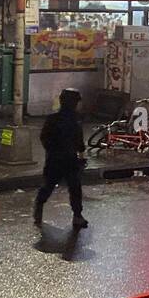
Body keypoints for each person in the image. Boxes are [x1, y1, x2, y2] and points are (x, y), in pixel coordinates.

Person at [34, 88, 87, 229]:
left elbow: (44, 138)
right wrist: (81, 152)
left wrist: (51, 150)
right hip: (68, 158)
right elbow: (79, 140)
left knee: (49, 186)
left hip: (56, 159)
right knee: (74, 188)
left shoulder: (53, 119)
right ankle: (77, 216)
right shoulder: (76, 119)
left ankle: (39, 208)